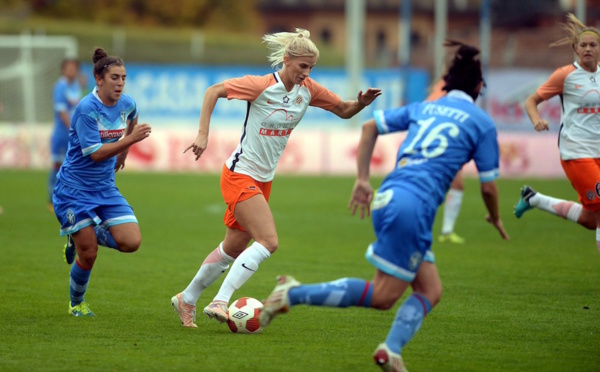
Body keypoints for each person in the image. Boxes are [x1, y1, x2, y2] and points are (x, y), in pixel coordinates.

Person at [259, 40, 509, 371]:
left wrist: (363, 179)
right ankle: (292, 293)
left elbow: (370, 125)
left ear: (447, 83)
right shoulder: (481, 122)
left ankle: (391, 351)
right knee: (383, 296)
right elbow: (489, 187)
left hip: (389, 195)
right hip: (414, 206)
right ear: (479, 86)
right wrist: (494, 217)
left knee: (430, 289)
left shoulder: (425, 107)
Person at [171, 28, 381, 328]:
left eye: (311, 68)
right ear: (286, 60)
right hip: (239, 173)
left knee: (232, 247)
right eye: (302, 67)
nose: (306, 73)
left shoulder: (308, 90)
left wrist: (361, 103)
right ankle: (220, 300)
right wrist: (203, 133)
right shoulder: (260, 85)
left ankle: (187, 299)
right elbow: (213, 91)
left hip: (263, 180)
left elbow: (345, 110)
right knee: (268, 241)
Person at [52, 47, 152, 316]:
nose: (120, 83)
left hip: (104, 188)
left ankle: (83, 234)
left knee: (132, 242)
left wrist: (123, 152)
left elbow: (133, 117)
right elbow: (95, 154)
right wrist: (129, 141)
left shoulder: (127, 103)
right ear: (99, 80)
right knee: (90, 253)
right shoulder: (87, 109)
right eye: (114, 78)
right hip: (73, 190)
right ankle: (76, 303)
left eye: (123, 78)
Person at [517, 14, 600, 242]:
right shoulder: (565, 75)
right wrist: (537, 120)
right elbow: (530, 101)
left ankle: (535, 199)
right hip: (576, 151)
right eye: (583, 45)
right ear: (576, 48)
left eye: (593, 45)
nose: (588, 49)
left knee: (591, 220)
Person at [427, 79, 466, 244]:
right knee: (455, 185)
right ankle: (446, 231)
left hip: (440, 142)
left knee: (452, 185)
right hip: (434, 142)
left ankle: (446, 231)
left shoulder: (449, 87)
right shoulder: (447, 88)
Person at [48, 58, 84, 212]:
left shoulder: (76, 85)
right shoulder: (60, 86)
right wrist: (73, 129)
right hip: (62, 134)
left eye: (74, 68)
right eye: (68, 68)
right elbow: (61, 111)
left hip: (74, 133)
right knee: (58, 165)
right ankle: (51, 199)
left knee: (74, 166)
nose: (71, 71)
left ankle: (69, 198)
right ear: (63, 70)